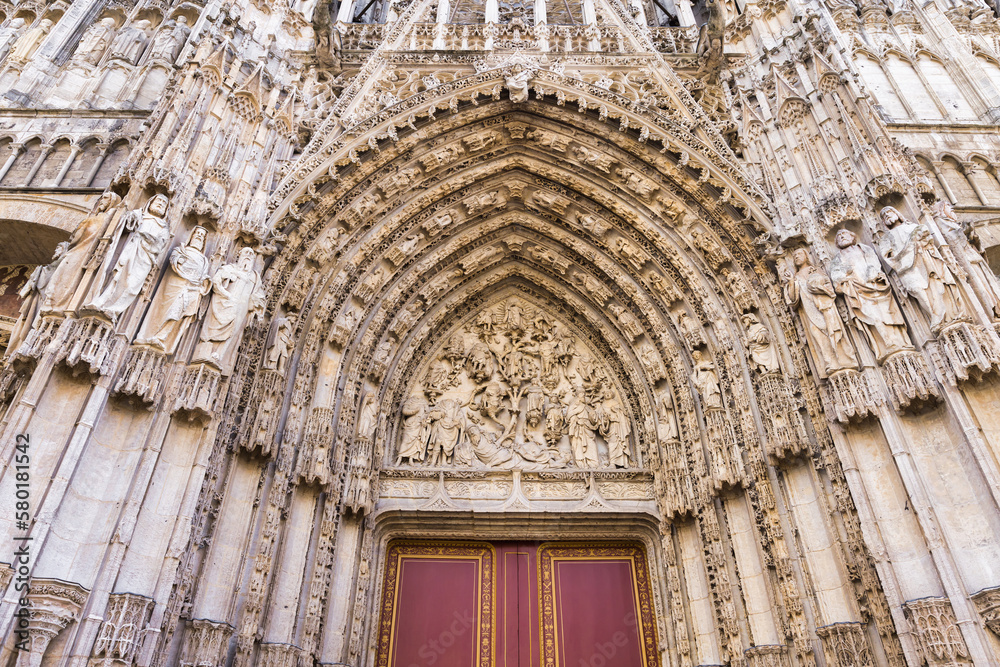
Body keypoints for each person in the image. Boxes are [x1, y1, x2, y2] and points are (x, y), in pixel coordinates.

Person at [829, 228, 912, 360]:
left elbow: (874, 262)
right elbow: (836, 277)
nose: (841, 237)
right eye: (838, 236)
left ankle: (901, 341)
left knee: (886, 313)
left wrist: (873, 272)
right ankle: (887, 344)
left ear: (853, 236)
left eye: (844, 234)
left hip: (875, 285)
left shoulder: (864, 248)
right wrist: (846, 273)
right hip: (857, 290)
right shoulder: (837, 259)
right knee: (872, 317)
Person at [86, 194, 172, 321]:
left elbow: (160, 245)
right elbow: (127, 225)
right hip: (130, 250)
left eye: (164, 204)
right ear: (150, 202)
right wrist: (130, 217)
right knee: (117, 278)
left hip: (145, 258)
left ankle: (114, 309)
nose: (160, 204)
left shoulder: (163, 227)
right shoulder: (140, 215)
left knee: (132, 285)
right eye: (158, 201)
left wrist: (144, 237)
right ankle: (101, 302)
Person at [135, 226, 211, 353]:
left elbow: (203, 278)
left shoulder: (204, 260)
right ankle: (148, 335)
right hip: (174, 286)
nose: (199, 236)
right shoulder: (181, 250)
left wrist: (204, 282)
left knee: (177, 313)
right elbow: (174, 262)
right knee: (164, 309)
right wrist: (182, 264)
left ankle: (161, 337)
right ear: (191, 235)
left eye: (202, 236)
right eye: (197, 233)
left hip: (190, 289)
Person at [192, 247, 266, 373]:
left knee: (234, 331)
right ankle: (207, 351)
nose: (248, 256)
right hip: (225, 304)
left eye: (251, 254)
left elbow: (259, 294)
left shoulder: (254, 277)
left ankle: (219, 356)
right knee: (216, 328)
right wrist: (227, 295)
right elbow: (216, 281)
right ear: (239, 255)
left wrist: (258, 303)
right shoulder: (229, 268)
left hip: (241, 308)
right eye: (246, 253)